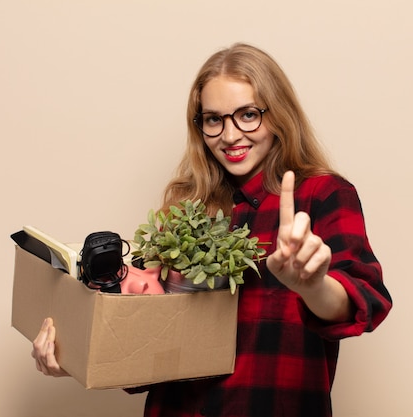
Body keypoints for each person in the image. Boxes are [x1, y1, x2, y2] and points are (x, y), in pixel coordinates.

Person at [32, 43, 392, 417]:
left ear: (279, 114)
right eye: (213, 119)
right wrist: (74, 355)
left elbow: (365, 301)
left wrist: (313, 285)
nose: (230, 135)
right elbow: (150, 355)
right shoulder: (185, 211)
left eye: (248, 114)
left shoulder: (322, 194)